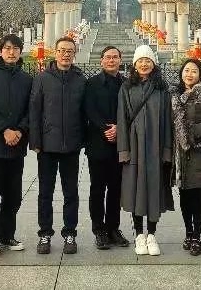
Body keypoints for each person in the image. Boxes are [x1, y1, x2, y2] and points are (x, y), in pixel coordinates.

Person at [29, 36, 86, 255]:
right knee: (45, 192)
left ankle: (70, 233)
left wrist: (82, 140)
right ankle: (45, 233)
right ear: (55, 52)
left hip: (71, 146)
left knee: (71, 193)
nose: (65, 54)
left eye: (69, 51)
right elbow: (35, 110)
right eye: (62, 50)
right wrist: (35, 141)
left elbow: (84, 112)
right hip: (47, 146)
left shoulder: (80, 80)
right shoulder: (43, 78)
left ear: (74, 53)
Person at [0, 34, 33, 258]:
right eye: (7, 48)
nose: (11, 52)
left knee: (13, 195)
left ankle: (8, 235)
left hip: (16, 145)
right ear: (0, 51)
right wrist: (4, 129)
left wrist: (19, 130)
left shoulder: (27, 79)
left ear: (20, 52)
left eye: (15, 48)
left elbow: (31, 108)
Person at [118, 45, 174, 256]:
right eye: (140, 61)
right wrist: (124, 150)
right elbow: (122, 119)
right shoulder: (126, 87)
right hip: (134, 147)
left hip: (156, 147)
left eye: (148, 60)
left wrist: (167, 150)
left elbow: (167, 121)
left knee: (154, 190)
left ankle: (152, 234)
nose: (144, 64)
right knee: (135, 191)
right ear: (134, 64)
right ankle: (139, 235)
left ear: (153, 64)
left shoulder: (162, 88)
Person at [171, 59, 201, 256]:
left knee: (197, 196)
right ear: (181, 73)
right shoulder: (174, 95)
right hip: (180, 154)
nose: (189, 74)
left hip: (198, 151)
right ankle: (188, 233)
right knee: (184, 196)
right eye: (186, 70)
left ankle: (197, 236)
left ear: (200, 75)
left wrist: (190, 132)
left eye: (194, 71)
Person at [84, 46, 129, 250]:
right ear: (101, 61)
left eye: (115, 57)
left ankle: (113, 228)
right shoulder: (92, 83)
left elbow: (130, 111)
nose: (111, 60)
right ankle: (99, 230)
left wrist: (119, 128)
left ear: (120, 60)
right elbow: (89, 109)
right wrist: (106, 129)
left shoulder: (126, 84)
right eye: (108, 57)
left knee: (116, 188)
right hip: (98, 143)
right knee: (97, 188)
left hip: (120, 143)